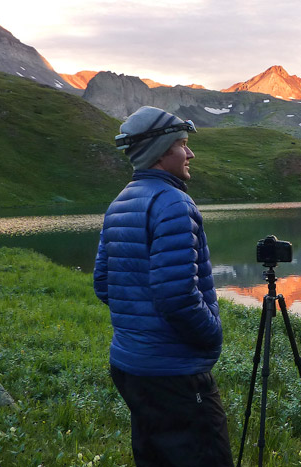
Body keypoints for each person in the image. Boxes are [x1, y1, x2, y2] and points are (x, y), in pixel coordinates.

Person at [94, 106, 233, 466]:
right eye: (182, 145)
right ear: (159, 153)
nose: (190, 153)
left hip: (130, 366)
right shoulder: (172, 201)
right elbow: (176, 296)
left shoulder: (121, 201)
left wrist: (142, 325)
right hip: (175, 373)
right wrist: (212, 333)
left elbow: (103, 283)